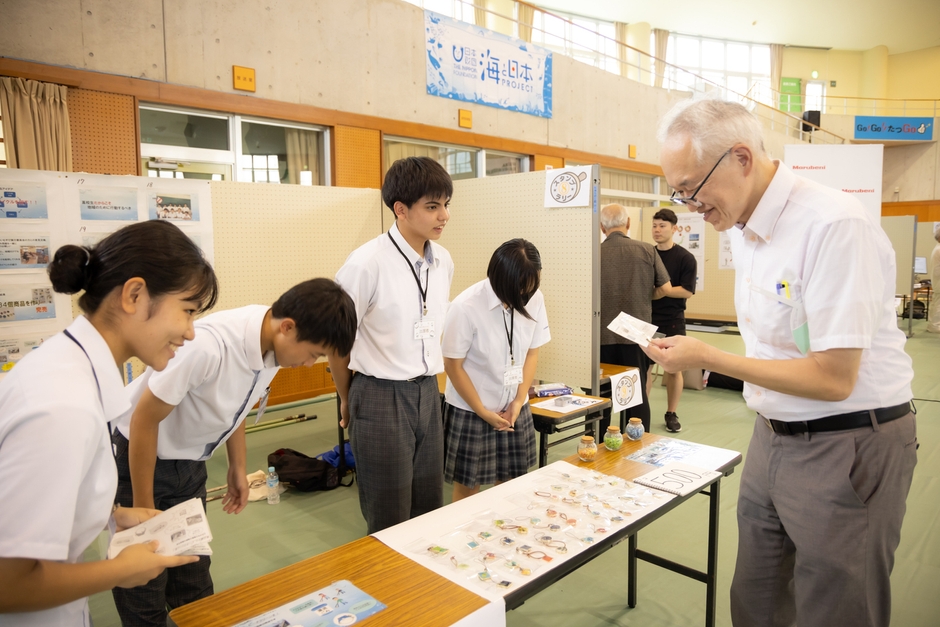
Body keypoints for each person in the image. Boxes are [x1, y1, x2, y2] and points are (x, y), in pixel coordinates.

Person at [648, 97, 916, 627]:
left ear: (741, 158)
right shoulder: (744, 228)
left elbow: (835, 377)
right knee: (757, 595)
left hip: (850, 440)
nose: (688, 205)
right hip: (773, 433)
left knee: (838, 606)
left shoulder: (833, 225)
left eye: (692, 189)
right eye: (678, 192)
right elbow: (779, 346)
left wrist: (707, 356)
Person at [0, 221, 218, 626]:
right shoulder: (63, 406)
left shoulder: (68, 369)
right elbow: (8, 584)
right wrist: (121, 570)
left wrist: (112, 516)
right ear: (135, 295)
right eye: (187, 311)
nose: (190, 332)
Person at [110, 278, 357, 626]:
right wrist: (146, 512)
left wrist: (236, 467)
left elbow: (237, 407)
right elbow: (143, 423)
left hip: (191, 461)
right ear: (288, 327)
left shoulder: (271, 345)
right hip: (139, 460)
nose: (308, 364)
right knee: (144, 585)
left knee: (193, 577)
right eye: (314, 354)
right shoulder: (208, 347)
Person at [332, 156, 454, 533]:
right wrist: (345, 396)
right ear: (401, 210)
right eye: (432, 206)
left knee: (429, 504)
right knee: (388, 511)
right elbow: (337, 342)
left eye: (446, 205)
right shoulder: (365, 263)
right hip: (379, 394)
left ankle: (422, 587)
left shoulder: (443, 260)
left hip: (428, 391)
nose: (443, 216)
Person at [442, 239, 550, 501]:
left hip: (514, 407)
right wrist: (483, 411)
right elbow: (452, 366)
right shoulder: (465, 307)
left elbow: (532, 351)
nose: (524, 297)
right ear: (499, 279)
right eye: (519, 291)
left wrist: (518, 400)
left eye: (530, 289)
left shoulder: (533, 297)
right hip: (472, 410)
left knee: (511, 482)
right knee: (468, 488)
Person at [599, 203, 672, 434]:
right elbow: (666, 287)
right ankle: (638, 444)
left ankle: (602, 445)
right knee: (635, 395)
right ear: (628, 224)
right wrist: (643, 297)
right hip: (636, 336)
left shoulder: (592, 253)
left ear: (602, 227)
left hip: (601, 336)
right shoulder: (647, 250)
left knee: (602, 397)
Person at [646, 208, 697, 432]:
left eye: (662, 226)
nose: (657, 230)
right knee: (645, 368)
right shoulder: (647, 253)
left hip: (673, 319)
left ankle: (671, 413)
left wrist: (663, 291)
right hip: (647, 318)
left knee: (673, 368)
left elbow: (687, 291)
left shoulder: (685, 257)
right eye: (655, 226)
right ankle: (642, 412)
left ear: (674, 229)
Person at [927, 223, 940, 333]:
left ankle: (935, 325)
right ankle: (934, 326)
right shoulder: (938, 250)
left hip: (937, 281)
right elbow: (937, 270)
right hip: (939, 281)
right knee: (938, 304)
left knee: (937, 304)